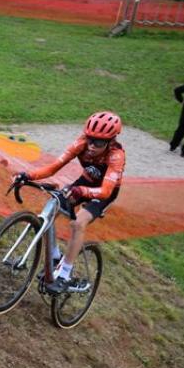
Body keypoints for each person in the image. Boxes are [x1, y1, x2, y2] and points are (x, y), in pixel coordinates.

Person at [15, 112, 126, 295]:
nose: (91, 145)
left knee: (78, 222)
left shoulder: (116, 155)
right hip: (84, 182)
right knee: (54, 206)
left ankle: (65, 274)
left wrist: (81, 191)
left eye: (98, 142)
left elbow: (106, 190)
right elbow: (53, 167)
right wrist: (27, 175)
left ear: (111, 141)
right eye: (90, 139)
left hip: (105, 191)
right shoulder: (81, 143)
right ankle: (55, 257)